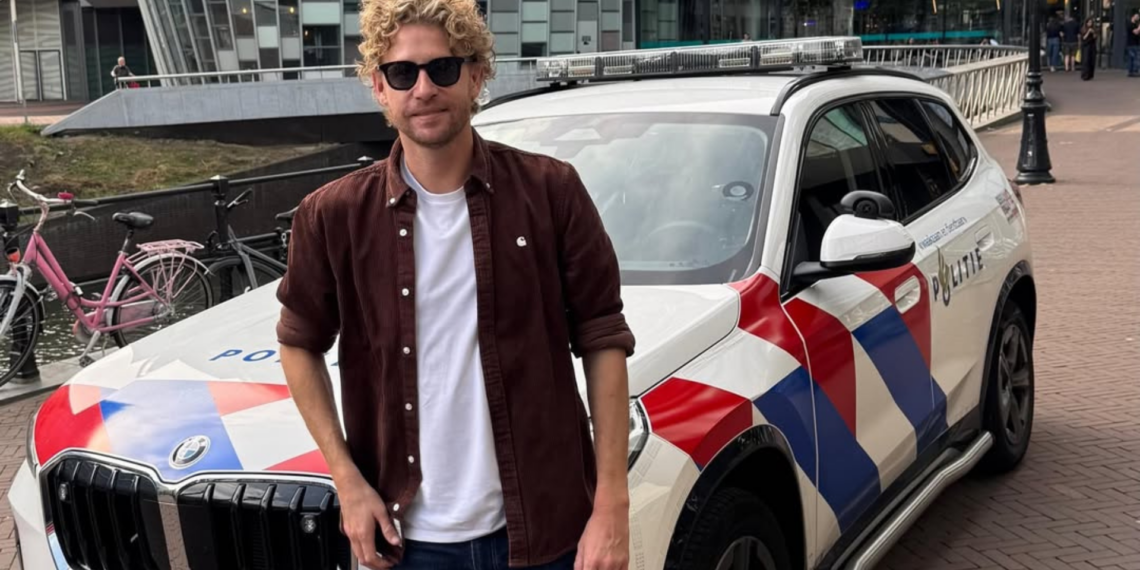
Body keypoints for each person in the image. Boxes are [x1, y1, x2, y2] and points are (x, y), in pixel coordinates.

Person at [275, 0, 635, 569]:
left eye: (442, 68)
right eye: (402, 72)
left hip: (546, 532)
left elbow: (602, 336)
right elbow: (298, 342)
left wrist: (612, 503)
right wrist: (346, 479)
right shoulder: (332, 216)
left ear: (476, 76)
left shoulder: (551, 191)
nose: (423, 89)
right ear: (379, 87)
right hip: (408, 542)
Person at [1128, 12, 1140, 77]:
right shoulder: (1130, 25)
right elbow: (1136, 32)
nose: (1138, 18)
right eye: (1136, 16)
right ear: (1133, 17)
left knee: (1135, 58)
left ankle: (1133, 71)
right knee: (1133, 58)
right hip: (1132, 44)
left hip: (1136, 43)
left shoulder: (1135, 24)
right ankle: (1132, 71)